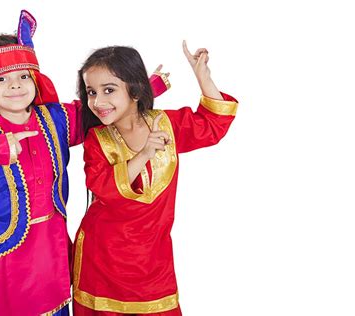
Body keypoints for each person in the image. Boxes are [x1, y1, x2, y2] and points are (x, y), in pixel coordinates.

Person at [0, 10, 169, 316]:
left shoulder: (56, 119)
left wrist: (146, 88)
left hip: (50, 251)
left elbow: (101, 111)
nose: (15, 86)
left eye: (23, 76)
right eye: (2, 79)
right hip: (2, 260)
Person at [72, 42, 238, 315]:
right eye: (91, 92)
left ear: (135, 91)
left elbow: (212, 126)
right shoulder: (97, 140)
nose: (98, 102)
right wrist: (144, 153)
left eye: (109, 90)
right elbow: (101, 187)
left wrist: (202, 77)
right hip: (102, 258)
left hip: (153, 260)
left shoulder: (167, 125)